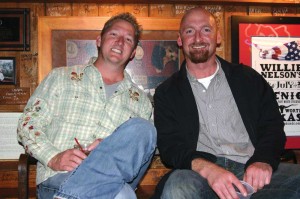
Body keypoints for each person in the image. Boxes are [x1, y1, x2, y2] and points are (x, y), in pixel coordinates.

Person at [153, 7, 300, 199]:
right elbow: (170, 147)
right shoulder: (167, 93)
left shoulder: (249, 79)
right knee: (177, 188)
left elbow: (272, 127)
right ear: (180, 40)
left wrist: (263, 160)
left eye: (206, 30)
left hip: (251, 170)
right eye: (190, 31)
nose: (198, 38)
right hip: (198, 174)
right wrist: (208, 169)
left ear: (218, 37)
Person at [17, 12, 157, 199]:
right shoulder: (60, 77)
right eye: (114, 34)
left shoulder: (142, 102)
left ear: (133, 53)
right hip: (58, 180)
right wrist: (53, 157)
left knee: (145, 130)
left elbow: (143, 153)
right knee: (123, 195)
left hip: (112, 184)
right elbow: (27, 125)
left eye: (128, 39)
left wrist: (111, 148)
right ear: (99, 40)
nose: (120, 42)